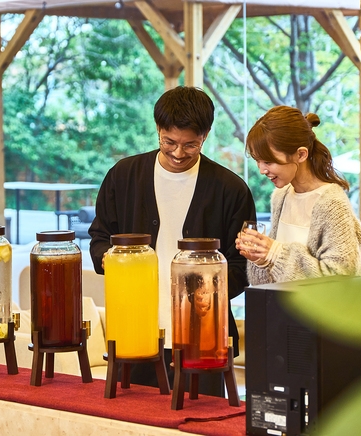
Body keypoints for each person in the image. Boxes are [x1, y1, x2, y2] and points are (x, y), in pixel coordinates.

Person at [89, 86, 256, 397]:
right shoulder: (124, 176)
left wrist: (207, 294)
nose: (178, 153)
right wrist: (113, 262)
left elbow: (241, 265)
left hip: (203, 337)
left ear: (205, 136)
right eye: (169, 142)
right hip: (134, 330)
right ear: (158, 129)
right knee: (132, 415)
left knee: (200, 415)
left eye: (190, 145)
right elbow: (100, 237)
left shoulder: (230, 190)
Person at [237, 105, 361, 285]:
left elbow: (341, 280)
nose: (261, 170)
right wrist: (261, 259)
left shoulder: (332, 203)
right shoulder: (280, 197)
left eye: (268, 161)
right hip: (279, 304)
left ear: (301, 154)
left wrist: (276, 253)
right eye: (257, 161)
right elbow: (267, 285)